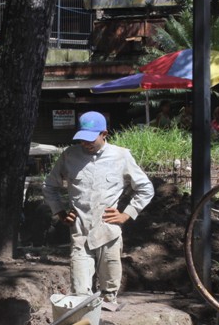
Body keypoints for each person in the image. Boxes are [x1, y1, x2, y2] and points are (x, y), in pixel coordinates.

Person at [43, 111, 154, 311]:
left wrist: (127, 214)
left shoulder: (121, 156)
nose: (86, 143)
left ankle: (107, 320)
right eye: (82, 139)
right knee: (80, 290)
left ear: (104, 133)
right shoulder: (69, 156)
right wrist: (60, 212)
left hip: (108, 232)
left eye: (90, 139)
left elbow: (146, 189)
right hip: (81, 232)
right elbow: (50, 186)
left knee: (109, 290)